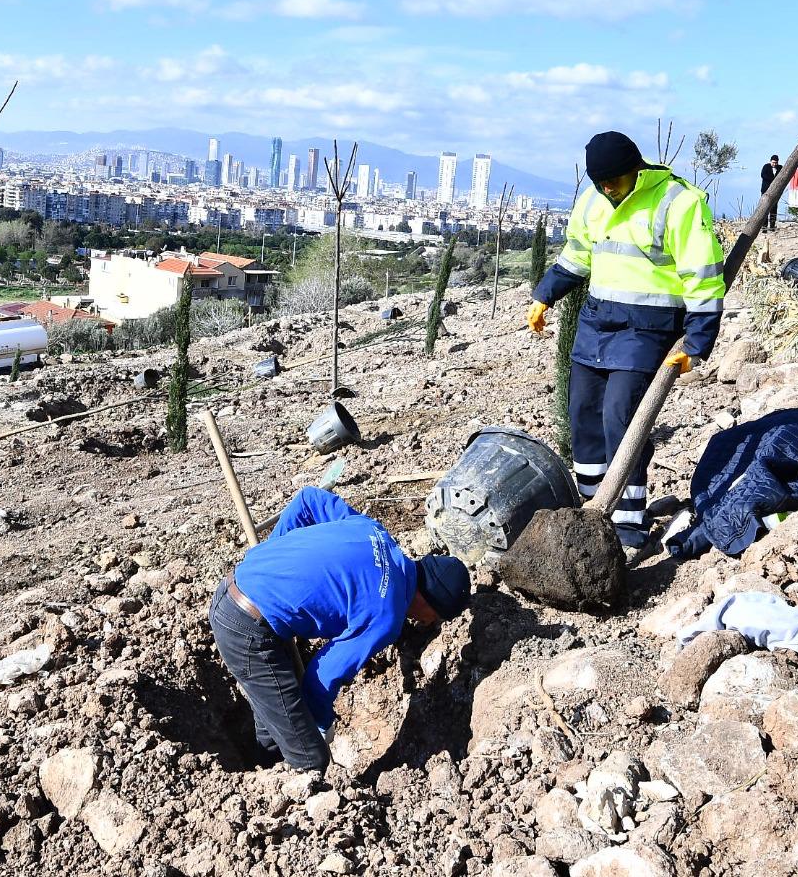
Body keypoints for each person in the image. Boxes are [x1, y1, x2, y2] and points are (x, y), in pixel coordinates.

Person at [527, 131, 727, 552]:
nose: (607, 190)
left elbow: (703, 275)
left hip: (649, 328)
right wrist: (543, 295)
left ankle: (628, 523)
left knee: (621, 418)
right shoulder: (593, 200)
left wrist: (697, 340)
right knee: (582, 413)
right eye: (599, 183)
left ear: (635, 170)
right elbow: (578, 254)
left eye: (613, 181)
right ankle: (591, 508)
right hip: (598, 320)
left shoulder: (679, 202)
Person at [208, 487, 472, 772]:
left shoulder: (375, 532)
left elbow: (309, 501)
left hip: (236, 593)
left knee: (278, 725)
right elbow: (320, 680)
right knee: (310, 759)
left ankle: (265, 776)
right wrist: (321, 723)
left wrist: (272, 561)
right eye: (436, 617)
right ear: (430, 601)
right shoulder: (388, 615)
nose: (430, 623)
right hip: (248, 632)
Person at [760, 154, 783, 232]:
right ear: (770, 161)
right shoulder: (766, 166)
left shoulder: (780, 168)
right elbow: (763, 175)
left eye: (776, 163)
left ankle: (772, 227)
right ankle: (764, 227)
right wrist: (773, 180)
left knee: (774, 209)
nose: (774, 164)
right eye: (773, 162)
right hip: (765, 190)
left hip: (776, 192)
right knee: (764, 209)